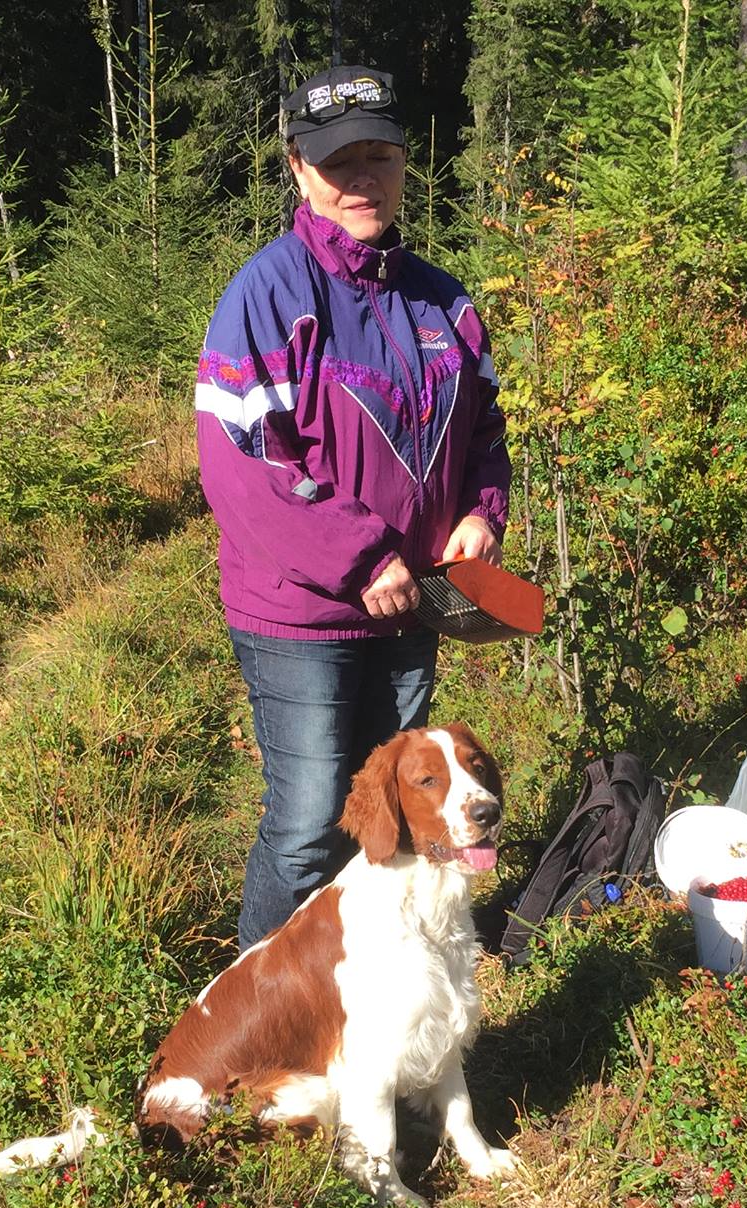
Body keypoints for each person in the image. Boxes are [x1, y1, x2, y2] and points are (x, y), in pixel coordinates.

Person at [196, 65, 511, 947]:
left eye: (379, 157)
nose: (361, 180)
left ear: (406, 164)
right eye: (339, 163)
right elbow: (244, 462)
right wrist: (363, 556)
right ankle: (259, 1008)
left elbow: (485, 431)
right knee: (307, 827)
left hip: (414, 607)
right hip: (302, 615)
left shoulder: (444, 301)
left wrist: (482, 513)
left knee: (393, 817)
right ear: (299, 170)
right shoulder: (268, 294)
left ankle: (373, 985)